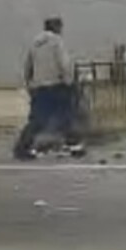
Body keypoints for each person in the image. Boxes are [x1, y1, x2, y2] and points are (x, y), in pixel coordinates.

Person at [13, 18, 83, 160]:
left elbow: (28, 67)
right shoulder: (56, 41)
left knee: (37, 120)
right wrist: (70, 82)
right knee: (67, 115)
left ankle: (22, 147)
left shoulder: (35, 43)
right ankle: (74, 146)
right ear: (56, 27)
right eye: (60, 27)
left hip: (39, 87)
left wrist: (30, 85)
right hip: (57, 85)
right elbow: (64, 64)